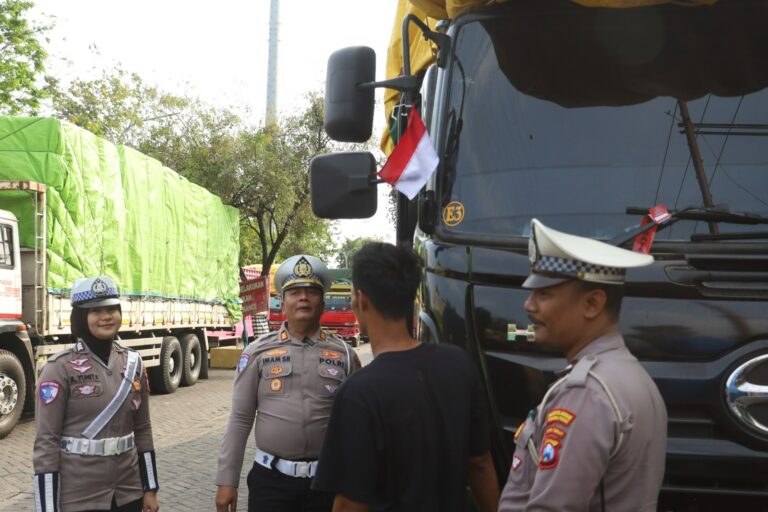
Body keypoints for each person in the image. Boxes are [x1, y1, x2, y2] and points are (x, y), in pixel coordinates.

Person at [312, 242, 500, 512]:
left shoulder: (358, 393)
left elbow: (349, 503)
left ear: (361, 300)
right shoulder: (459, 365)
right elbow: (480, 463)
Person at [499, 219, 667, 511]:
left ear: (592, 304)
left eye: (544, 294)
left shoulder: (586, 393)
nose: (529, 305)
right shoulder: (630, 375)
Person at [216, 254, 360, 512]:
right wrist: (227, 480)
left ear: (323, 303)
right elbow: (240, 418)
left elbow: (356, 425)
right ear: (282, 303)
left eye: (311, 292)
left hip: (326, 483)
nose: (303, 298)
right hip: (271, 483)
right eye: (294, 292)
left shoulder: (345, 355)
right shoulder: (257, 352)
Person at [33, 276, 160, 512]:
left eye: (112, 309)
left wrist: (150, 488)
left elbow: (143, 428)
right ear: (81, 317)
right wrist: (47, 508)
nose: (106, 316)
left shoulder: (133, 363)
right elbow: (46, 442)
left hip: (128, 492)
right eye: (96, 311)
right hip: (79, 498)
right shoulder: (59, 368)